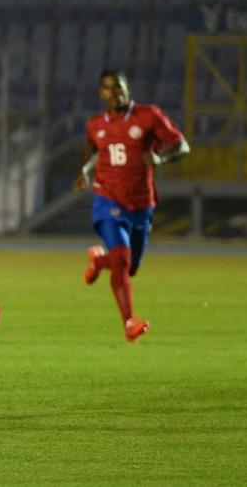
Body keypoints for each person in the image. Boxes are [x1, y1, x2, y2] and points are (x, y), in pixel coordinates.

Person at [74, 70, 189, 342]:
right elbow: (95, 152)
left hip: (141, 203)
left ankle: (99, 260)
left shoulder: (149, 116)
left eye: (118, 87)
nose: (113, 92)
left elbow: (182, 146)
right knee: (123, 259)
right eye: (106, 88)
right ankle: (129, 322)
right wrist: (86, 171)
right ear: (101, 93)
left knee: (130, 266)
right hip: (108, 198)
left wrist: (161, 159)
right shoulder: (95, 124)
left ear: (128, 89)